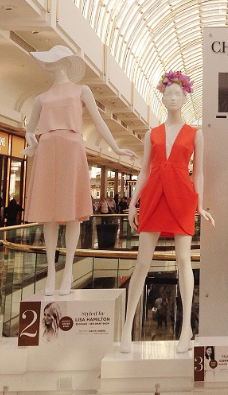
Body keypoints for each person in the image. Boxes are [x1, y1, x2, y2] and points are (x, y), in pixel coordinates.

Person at [23, 45, 137, 296]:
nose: (51, 64)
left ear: (66, 63)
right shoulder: (41, 98)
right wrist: (32, 142)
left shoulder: (81, 90)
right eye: (49, 60)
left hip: (72, 149)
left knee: (73, 212)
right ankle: (51, 274)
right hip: (47, 149)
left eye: (55, 60)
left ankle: (68, 272)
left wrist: (116, 148)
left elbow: (99, 121)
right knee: (49, 215)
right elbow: (30, 129)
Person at [120, 71, 214, 354]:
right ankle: (126, 328)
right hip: (154, 195)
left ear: (185, 98)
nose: (172, 98)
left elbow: (198, 173)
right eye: (168, 93)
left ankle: (186, 329)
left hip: (182, 196)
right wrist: (133, 202)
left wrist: (199, 204)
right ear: (162, 97)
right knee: (141, 263)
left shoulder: (195, 134)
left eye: (178, 94)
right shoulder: (152, 134)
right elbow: (144, 170)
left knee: (184, 260)